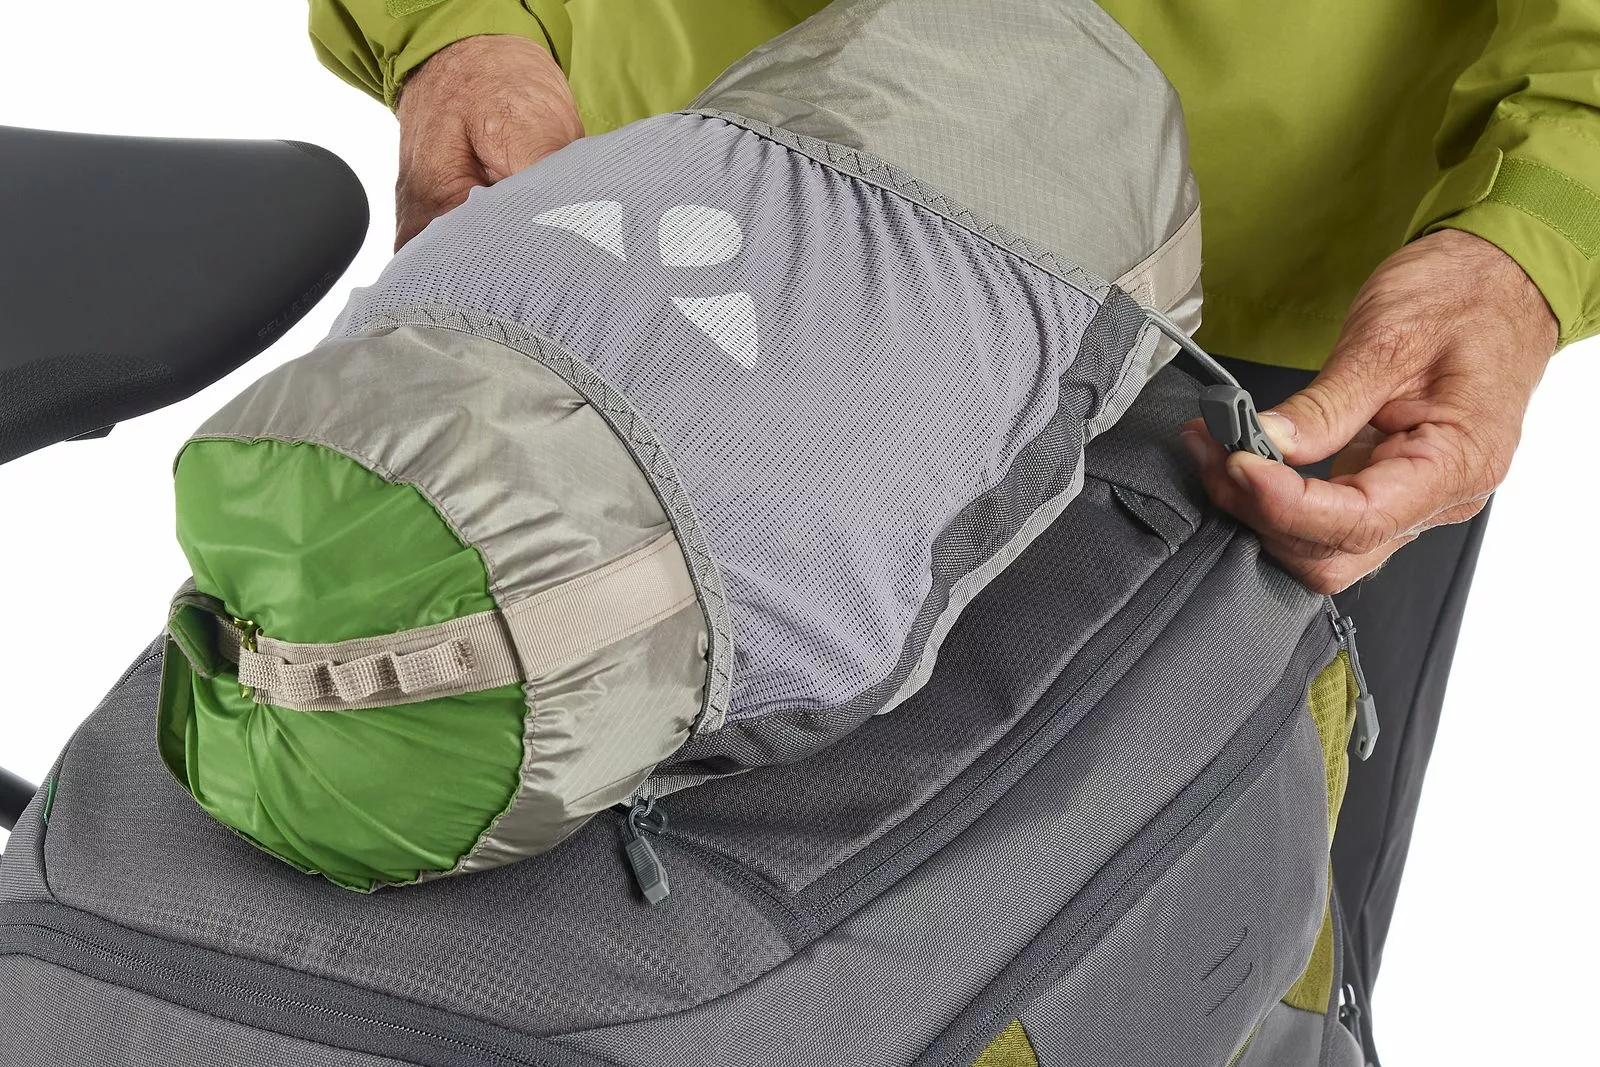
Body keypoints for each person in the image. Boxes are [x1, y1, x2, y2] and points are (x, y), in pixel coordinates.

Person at [308, 1, 1600, 1057]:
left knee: (1206, 915)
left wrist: (1537, 231)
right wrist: (461, 29)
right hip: (668, 234)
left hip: (1246, 332)